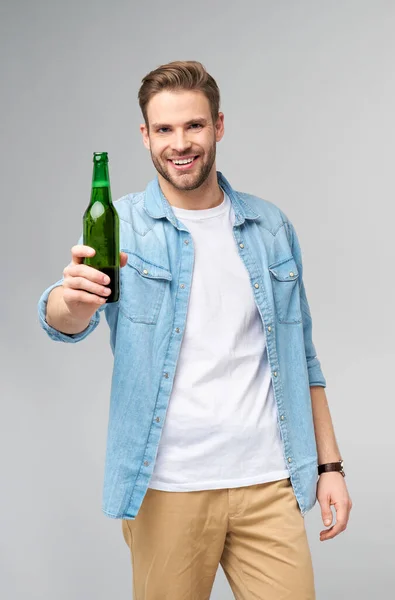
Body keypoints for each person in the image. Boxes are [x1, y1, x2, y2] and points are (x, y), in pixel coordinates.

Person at [38, 60, 352, 599]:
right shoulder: (122, 222)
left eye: (194, 126)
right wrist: (72, 299)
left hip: (269, 483)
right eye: (164, 129)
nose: (179, 143)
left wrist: (330, 466)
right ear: (145, 136)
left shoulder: (270, 227)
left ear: (218, 126)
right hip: (168, 489)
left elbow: (304, 359)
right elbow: (63, 318)